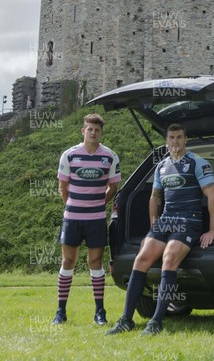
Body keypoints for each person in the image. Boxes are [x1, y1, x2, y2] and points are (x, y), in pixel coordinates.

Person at [107, 123, 214, 336]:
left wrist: (213, 229)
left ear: (185, 140)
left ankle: (156, 322)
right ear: (166, 141)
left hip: (188, 220)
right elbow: (154, 197)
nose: (175, 141)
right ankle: (125, 320)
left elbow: (212, 195)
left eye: (179, 137)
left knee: (168, 259)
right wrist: (153, 226)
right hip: (165, 221)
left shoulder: (197, 163)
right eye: (171, 137)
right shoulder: (162, 166)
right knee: (140, 260)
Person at [52, 113, 121, 325]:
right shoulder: (69, 155)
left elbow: (113, 187)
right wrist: (73, 205)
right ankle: (60, 312)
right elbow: (62, 187)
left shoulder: (110, 156)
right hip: (72, 218)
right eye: (89, 129)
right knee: (68, 261)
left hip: (96, 219)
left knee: (95, 262)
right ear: (83, 131)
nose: (93, 133)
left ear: (101, 133)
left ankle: (100, 312)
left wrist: (99, 204)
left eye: (97, 130)